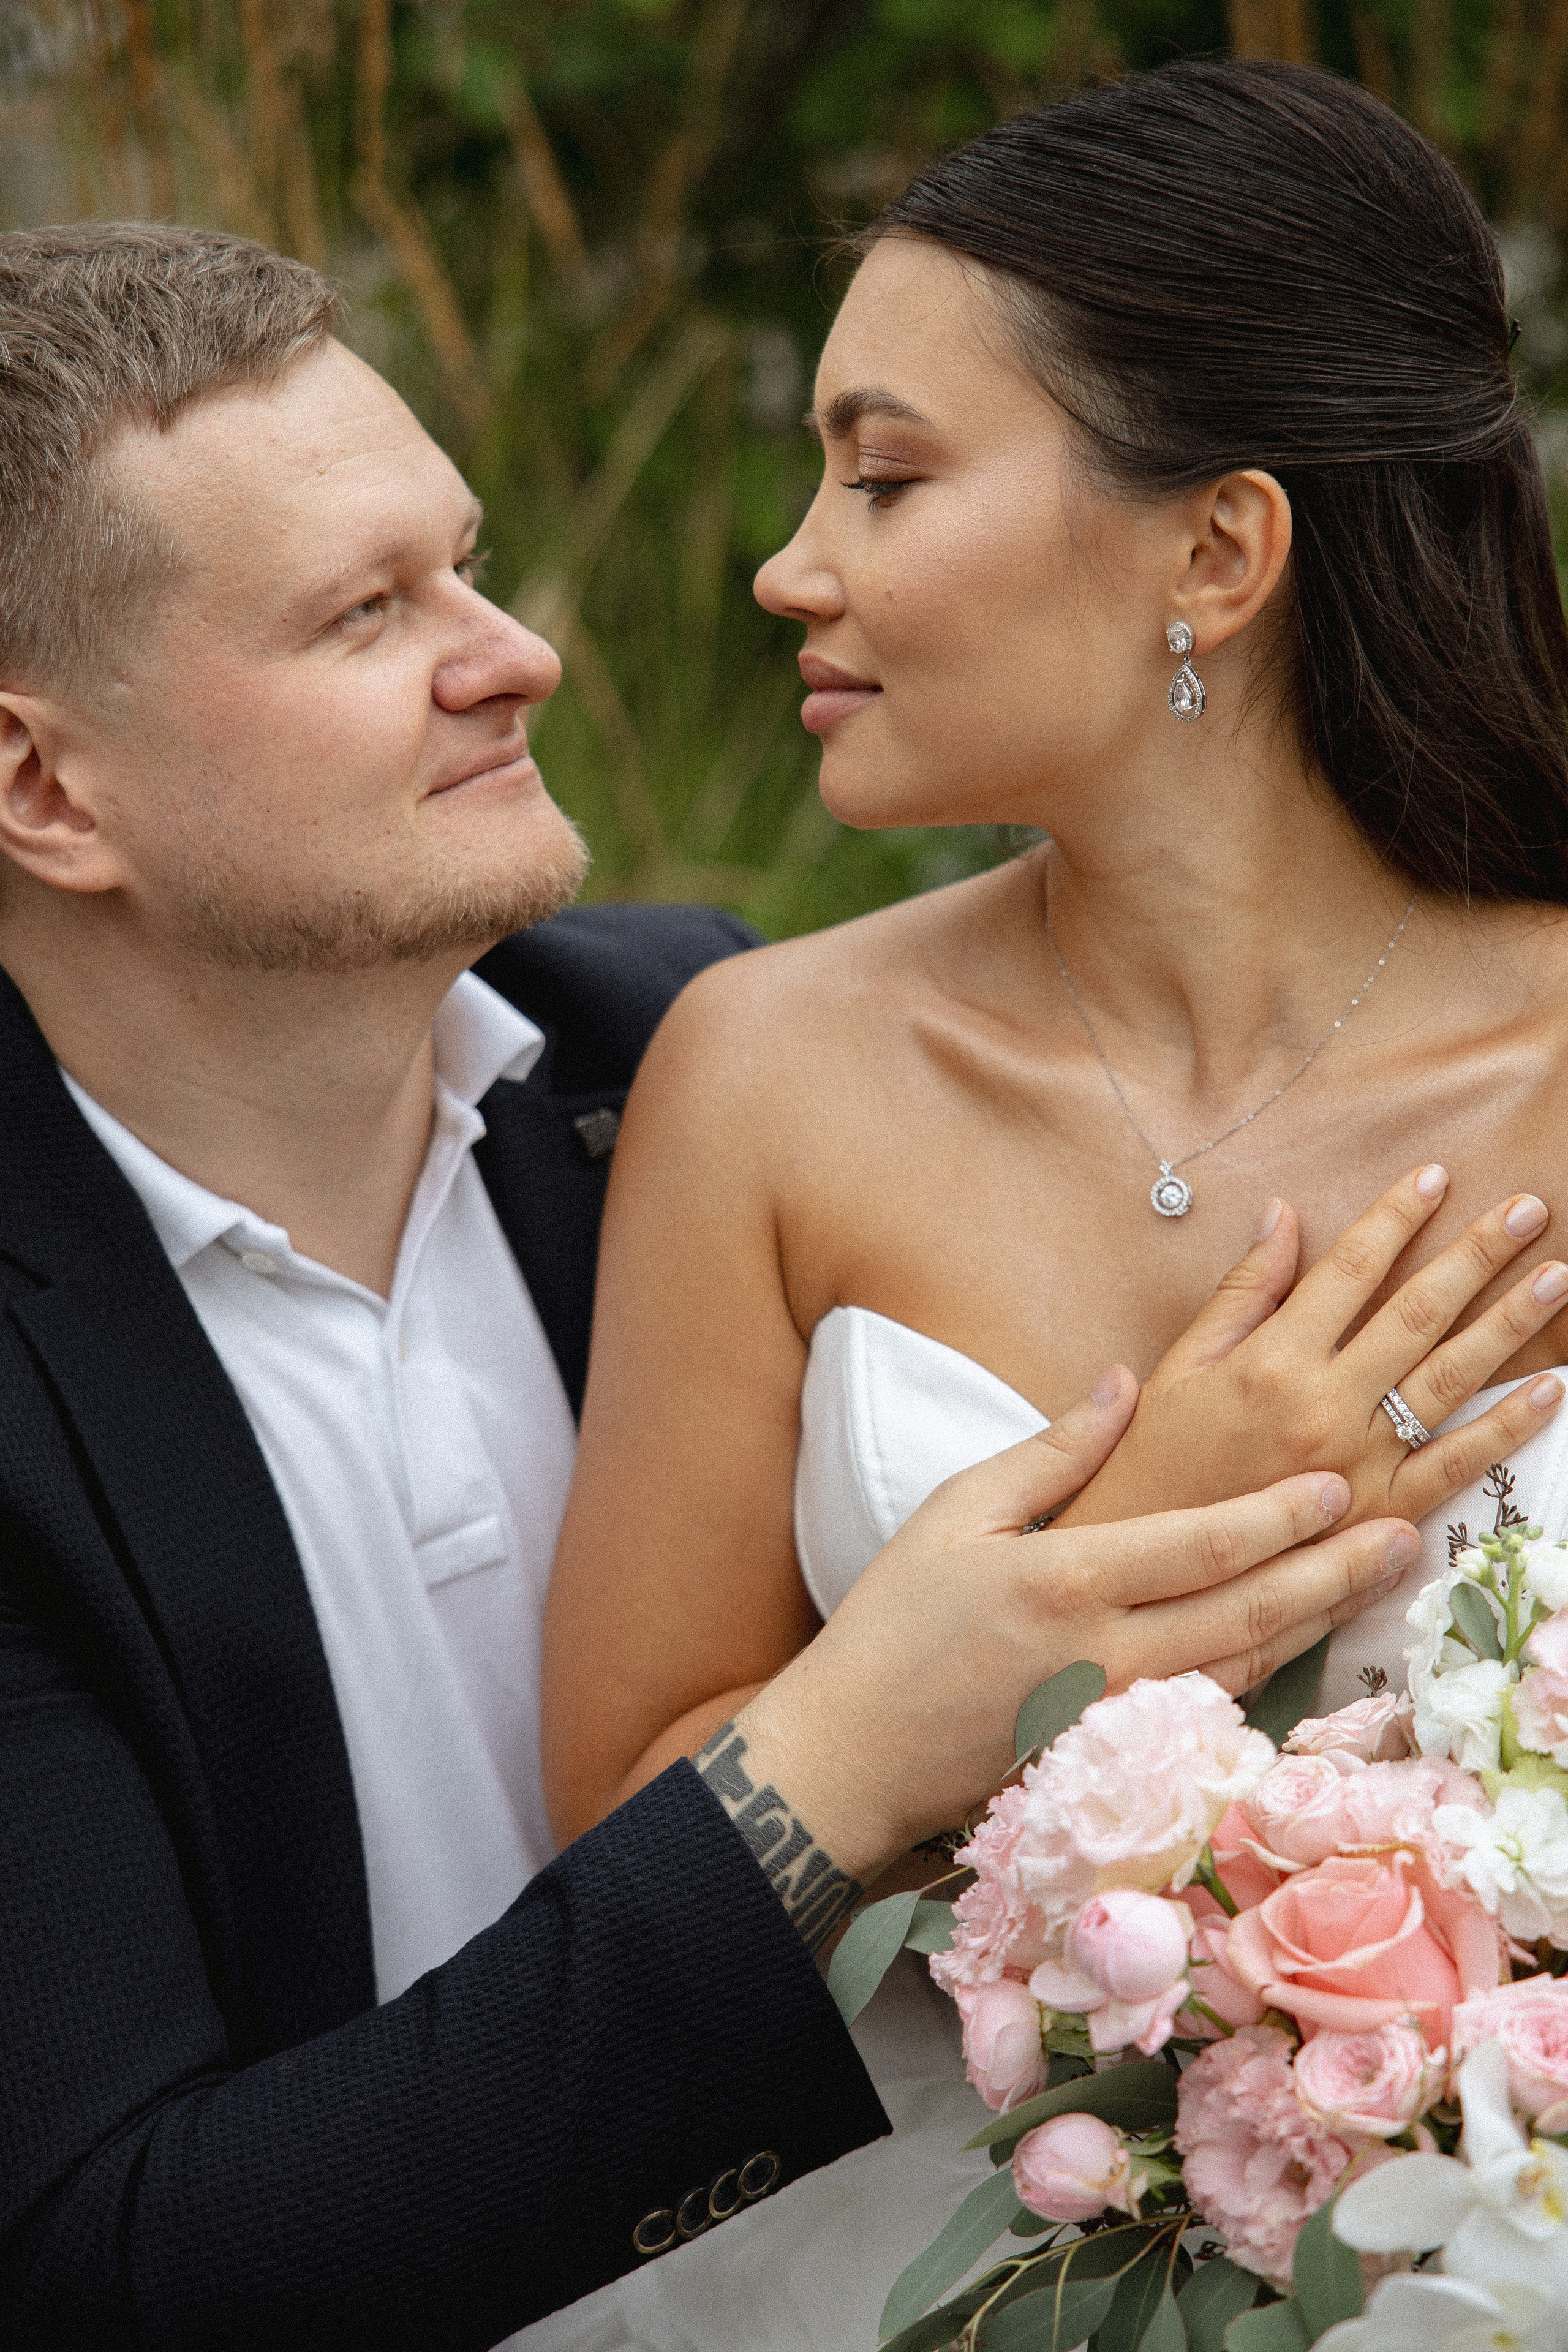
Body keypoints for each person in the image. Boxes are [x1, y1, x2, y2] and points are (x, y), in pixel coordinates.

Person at [0, 219, 1419, 2352]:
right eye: (365, 615)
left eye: (463, 561)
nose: (514, 653)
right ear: (44, 785)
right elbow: (129, 2266)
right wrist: (845, 1757)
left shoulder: (697, 1046)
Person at [541, 58, 1568, 2351]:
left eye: (886, 474)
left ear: (1218, 546)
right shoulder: (768, 1074)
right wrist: (1133, 1603)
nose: (789, 562)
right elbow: (619, 1856)